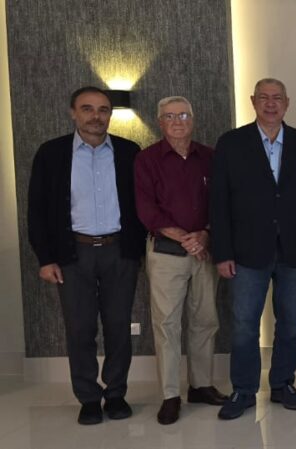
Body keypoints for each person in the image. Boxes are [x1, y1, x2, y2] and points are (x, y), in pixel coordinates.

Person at [28, 86, 146, 425]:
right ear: (73, 113)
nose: (96, 116)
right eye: (87, 108)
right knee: (79, 329)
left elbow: (142, 204)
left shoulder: (128, 152)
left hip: (119, 252)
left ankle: (116, 393)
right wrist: (45, 258)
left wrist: (137, 250)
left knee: (119, 327)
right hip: (72, 254)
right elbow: (37, 210)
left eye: (103, 109)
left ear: (110, 115)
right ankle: (89, 398)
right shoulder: (51, 153)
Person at [211, 78, 296, 420]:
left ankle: (283, 384)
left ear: (287, 103)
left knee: (291, 323)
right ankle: (243, 390)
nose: (270, 104)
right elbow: (218, 202)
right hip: (246, 252)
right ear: (253, 101)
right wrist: (222, 252)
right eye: (264, 98)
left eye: (277, 98)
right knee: (244, 324)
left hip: (294, 250)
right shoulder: (231, 143)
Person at [134, 96, 228, 424]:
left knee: (205, 319)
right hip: (166, 252)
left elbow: (221, 202)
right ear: (160, 122)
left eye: (184, 115)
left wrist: (205, 233)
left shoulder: (210, 157)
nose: (177, 122)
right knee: (167, 325)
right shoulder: (147, 159)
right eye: (170, 116)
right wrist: (186, 238)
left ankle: (201, 385)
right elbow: (146, 209)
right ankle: (170, 394)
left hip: (205, 249)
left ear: (193, 119)